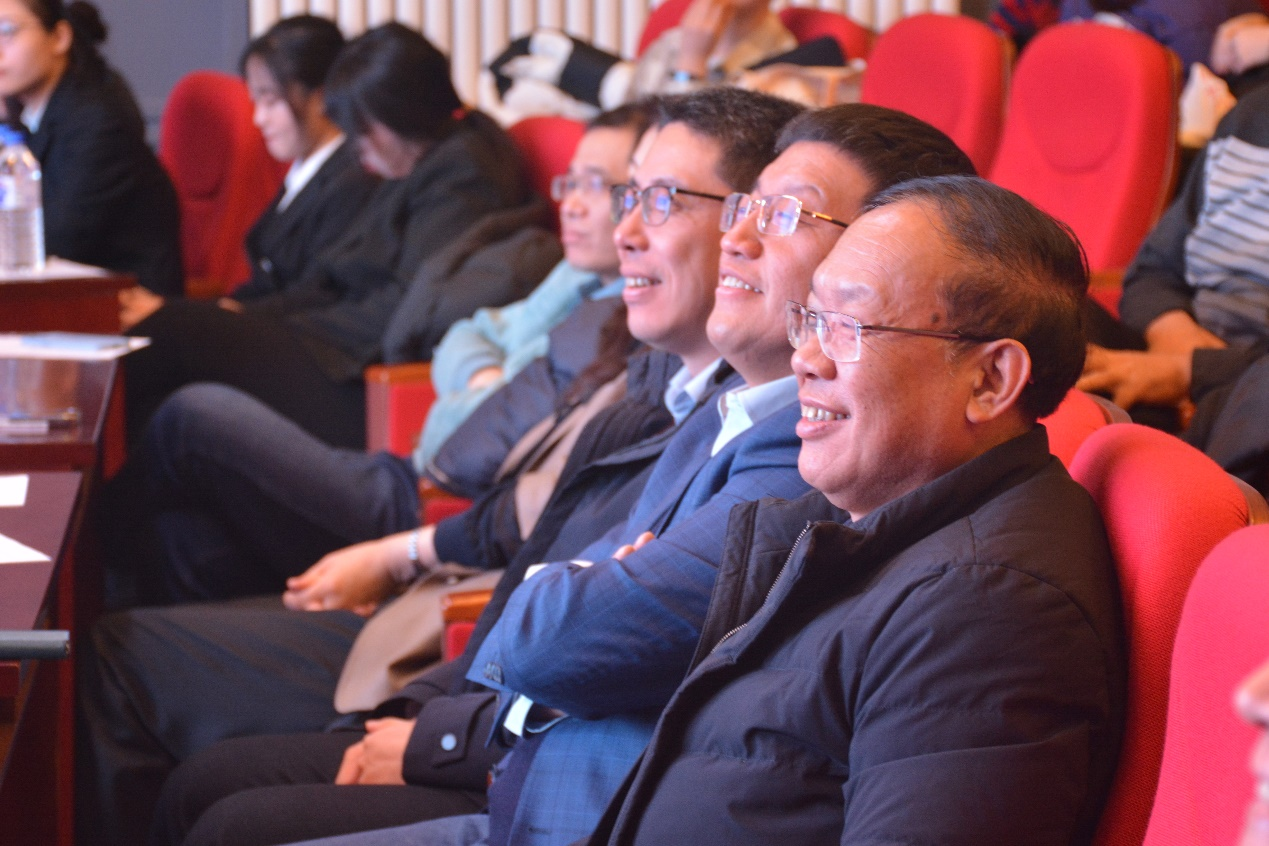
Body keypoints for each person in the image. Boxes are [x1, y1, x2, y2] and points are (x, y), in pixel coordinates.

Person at [187, 104, 979, 846]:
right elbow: (530, 559)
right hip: (523, 745)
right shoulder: (715, 410)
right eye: (746, 207)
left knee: (228, 808)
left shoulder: (814, 463)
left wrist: (453, 717)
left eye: (783, 214)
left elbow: (562, 633)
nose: (735, 238)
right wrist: (564, 605)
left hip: (573, 789)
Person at [568, 174, 1126, 846]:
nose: (804, 359)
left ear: (989, 380)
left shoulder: (987, 610)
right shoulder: (867, 523)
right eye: (809, 319)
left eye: (846, 326)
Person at [98, 104, 646, 609]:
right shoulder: (576, 276)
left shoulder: (627, 324)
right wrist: (485, 378)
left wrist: (476, 392)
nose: (571, 204)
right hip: (405, 467)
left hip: (426, 507)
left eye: (598, 186)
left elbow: (487, 457)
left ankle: (69, 565)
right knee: (182, 539)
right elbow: (468, 334)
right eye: (570, 182)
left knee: (193, 415)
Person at [121, 22, 530, 449]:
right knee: (168, 358)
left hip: (363, 372)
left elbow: (405, 309)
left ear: (401, 115)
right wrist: (252, 317)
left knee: (174, 335)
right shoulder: (415, 159)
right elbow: (332, 279)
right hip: (336, 344)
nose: (356, 145)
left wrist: (278, 326)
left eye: (364, 129)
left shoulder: (463, 173)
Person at [118, 14, 381, 329]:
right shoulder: (304, 171)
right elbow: (261, 288)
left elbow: (316, 294)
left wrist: (181, 316)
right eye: (256, 101)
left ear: (320, 98)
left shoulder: (352, 182)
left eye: (271, 102)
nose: (259, 119)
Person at [1077, 83, 1269, 496]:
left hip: (1253, 391)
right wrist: (1174, 336)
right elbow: (1152, 270)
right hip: (1182, 351)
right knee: (1052, 315)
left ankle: (1192, 514)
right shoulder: (1249, 118)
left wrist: (1192, 373)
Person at [0, 0, 182, 294]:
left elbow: (56, 238)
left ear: (59, 37)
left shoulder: (99, 119)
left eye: (6, 31)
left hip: (122, 302)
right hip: (58, 293)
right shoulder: (25, 112)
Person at [493, 0, 796, 120]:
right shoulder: (672, 40)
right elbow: (634, 122)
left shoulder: (788, 64)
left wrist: (690, 65)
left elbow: (671, 149)